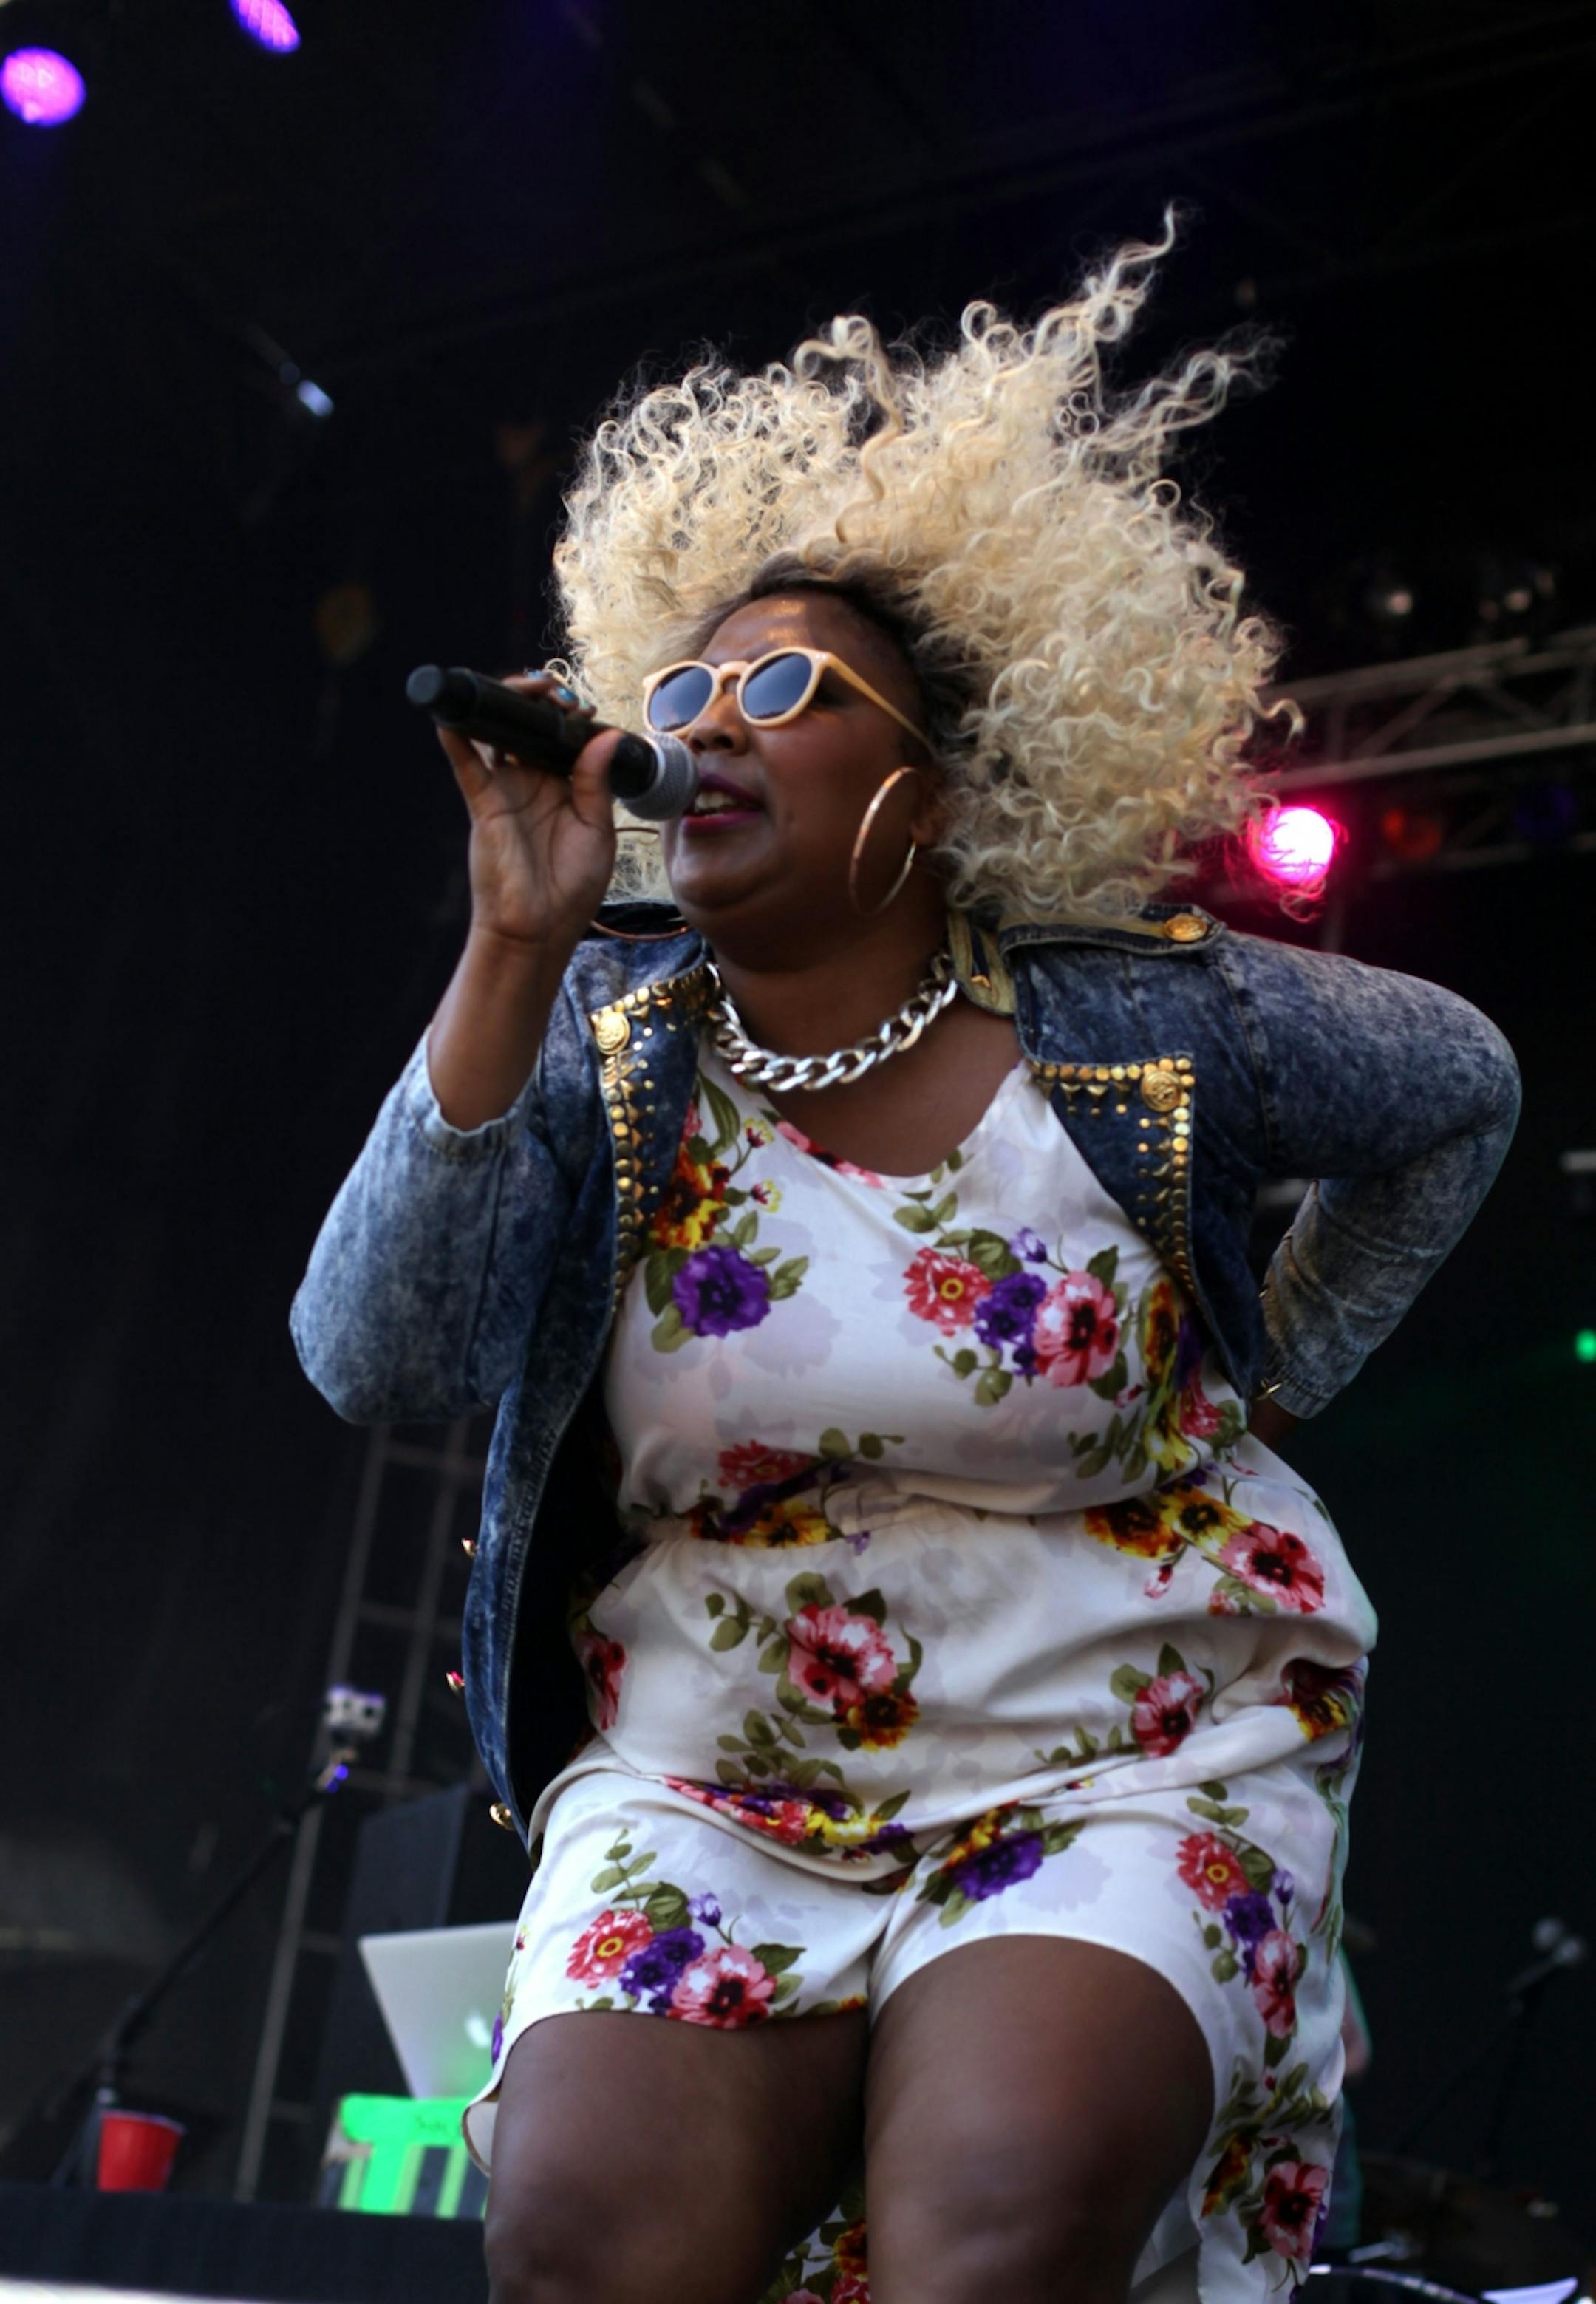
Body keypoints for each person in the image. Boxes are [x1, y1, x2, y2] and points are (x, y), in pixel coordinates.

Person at [292, 222, 1518, 2304]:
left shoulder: (1138, 1021)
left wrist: (1274, 1365)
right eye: (679, 692)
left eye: (780, 689)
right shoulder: (608, 1056)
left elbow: (1463, 1092)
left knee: (997, 2222)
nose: (708, 727)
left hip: (1117, 1744)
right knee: (586, 2249)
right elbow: (373, 1357)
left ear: (928, 795)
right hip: (715, 1763)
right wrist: (511, 947)